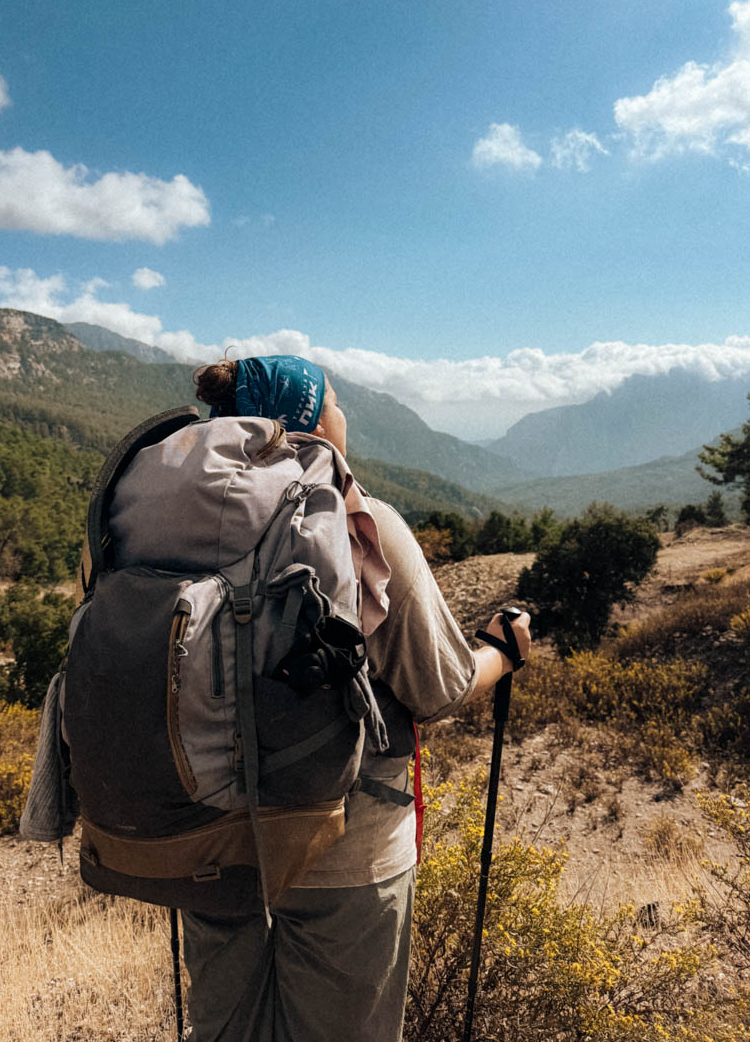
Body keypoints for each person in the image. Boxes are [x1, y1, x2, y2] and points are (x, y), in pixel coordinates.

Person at [183, 354, 531, 1042]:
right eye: (335, 403)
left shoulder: (185, 530)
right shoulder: (362, 522)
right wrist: (502, 651)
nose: (346, 416)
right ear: (309, 421)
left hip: (208, 845)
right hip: (342, 849)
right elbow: (438, 688)